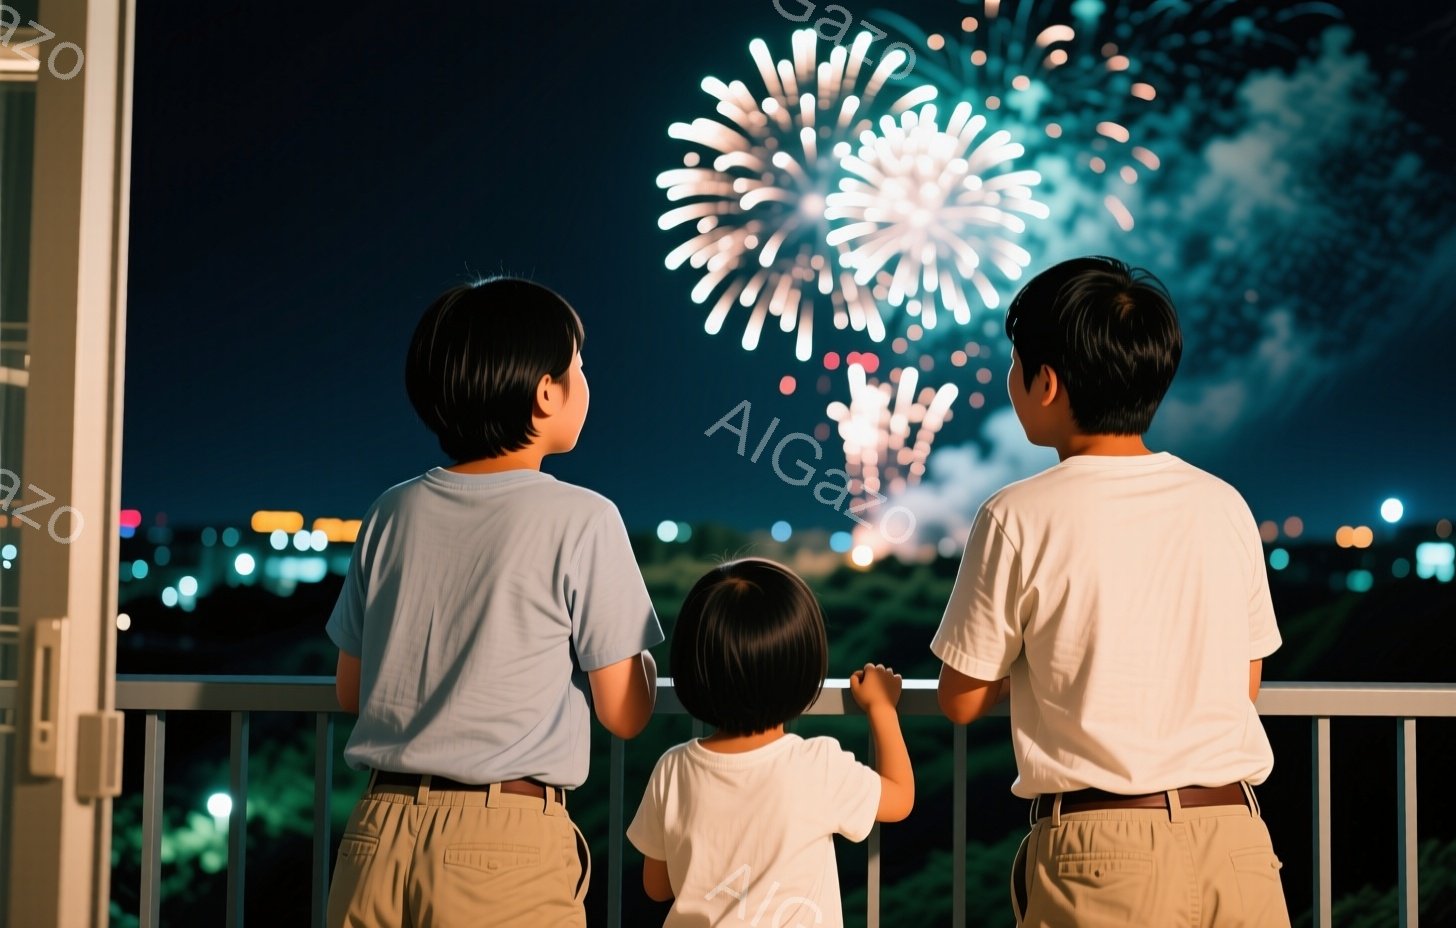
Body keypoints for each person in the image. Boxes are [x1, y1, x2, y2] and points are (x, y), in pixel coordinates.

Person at [930, 257, 1291, 927]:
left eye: (1016, 366)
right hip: (1238, 840)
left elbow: (960, 697)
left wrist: (1039, 667)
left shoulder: (1017, 515)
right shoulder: (1224, 504)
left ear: (1046, 382)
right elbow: (1242, 682)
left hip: (1103, 854)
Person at [324, 277, 662, 927]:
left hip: (375, 833)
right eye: (578, 368)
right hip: (500, 842)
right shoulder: (583, 517)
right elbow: (622, 712)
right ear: (544, 393)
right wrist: (640, 658)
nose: (586, 382)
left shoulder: (390, 511)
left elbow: (351, 691)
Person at [627, 558, 914, 928]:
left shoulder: (673, 767)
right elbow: (900, 798)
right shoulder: (817, 766)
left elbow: (657, 886)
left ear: (692, 669)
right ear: (802, 669)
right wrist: (881, 707)